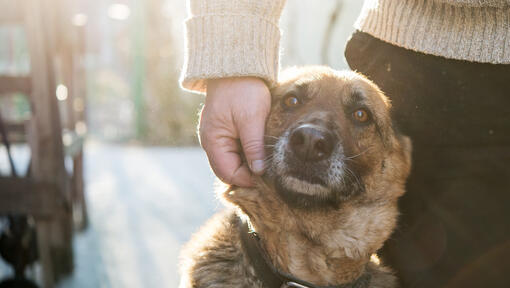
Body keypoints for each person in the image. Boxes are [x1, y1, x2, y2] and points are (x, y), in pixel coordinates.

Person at [180, 0, 510, 287]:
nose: (312, 137)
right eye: (292, 102)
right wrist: (233, 62)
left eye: (361, 116)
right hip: (409, 58)